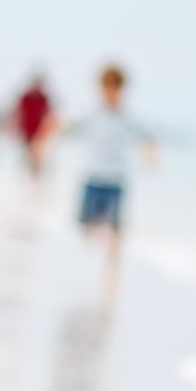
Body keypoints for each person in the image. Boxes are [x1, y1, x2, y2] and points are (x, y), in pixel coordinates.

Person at [78, 64, 156, 266]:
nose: (112, 94)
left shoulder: (129, 117)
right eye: (108, 89)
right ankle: (89, 260)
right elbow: (59, 123)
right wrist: (41, 143)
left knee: (116, 229)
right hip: (93, 177)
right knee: (86, 227)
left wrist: (150, 159)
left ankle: (112, 268)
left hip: (116, 179)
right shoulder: (91, 113)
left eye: (117, 90)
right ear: (101, 89)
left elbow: (147, 138)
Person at [13, 75, 56, 176]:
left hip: (41, 134)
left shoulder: (44, 99)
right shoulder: (25, 98)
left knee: (39, 161)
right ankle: (30, 181)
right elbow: (18, 114)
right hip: (27, 133)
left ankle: (37, 181)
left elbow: (49, 116)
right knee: (28, 160)